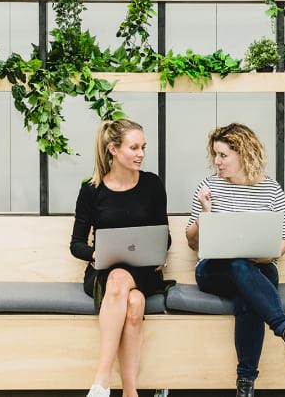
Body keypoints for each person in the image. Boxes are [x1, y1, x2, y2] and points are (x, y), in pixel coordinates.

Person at [184, 123, 285, 397]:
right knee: (237, 264)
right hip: (214, 272)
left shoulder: (270, 189)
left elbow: (283, 242)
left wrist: (266, 253)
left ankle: (245, 385)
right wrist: (206, 214)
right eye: (215, 155)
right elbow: (191, 241)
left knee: (248, 297)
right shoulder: (209, 186)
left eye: (223, 155)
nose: (217, 162)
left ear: (243, 153)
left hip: (260, 268)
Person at [70, 119, 170, 397]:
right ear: (113, 149)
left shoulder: (151, 184)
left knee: (123, 281)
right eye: (134, 147)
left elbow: (165, 234)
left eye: (143, 147)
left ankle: (101, 381)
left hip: (145, 272)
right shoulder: (91, 190)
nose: (141, 153)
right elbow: (77, 245)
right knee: (133, 301)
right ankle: (129, 391)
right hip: (103, 273)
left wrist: (160, 251)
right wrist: (96, 254)